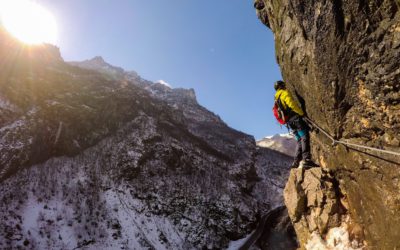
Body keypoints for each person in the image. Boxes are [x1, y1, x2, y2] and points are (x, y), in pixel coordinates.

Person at [273, 80, 314, 168]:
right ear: (282, 86)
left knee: (299, 140)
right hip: (295, 119)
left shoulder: (276, 99)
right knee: (304, 137)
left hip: (290, 123)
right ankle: (306, 159)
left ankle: (296, 162)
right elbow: (291, 104)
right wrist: (301, 113)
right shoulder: (284, 93)